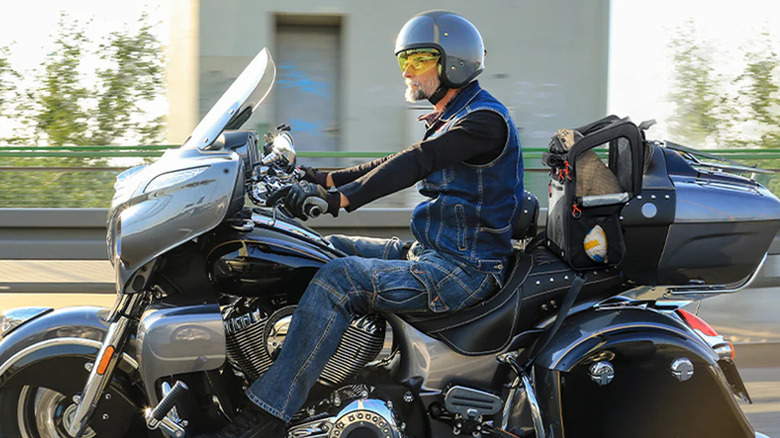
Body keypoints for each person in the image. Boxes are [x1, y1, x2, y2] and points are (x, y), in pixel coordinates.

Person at [198, 10, 524, 438]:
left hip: (464, 270)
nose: (407, 71)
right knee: (318, 248)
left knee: (339, 279)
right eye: (403, 60)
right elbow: (394, 161)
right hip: (432, 252)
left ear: (454, 63)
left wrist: (337, 199)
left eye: (418, 59)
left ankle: (268, 412)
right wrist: (317, 179)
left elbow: (415, 163)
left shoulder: (483, 121)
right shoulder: (453, 115)